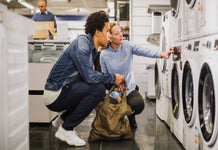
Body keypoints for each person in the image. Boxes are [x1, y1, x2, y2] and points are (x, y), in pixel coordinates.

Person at [42, 11, 125, 147]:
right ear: (97, 32)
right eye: (107, 31)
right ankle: (66, 129)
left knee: (95, 87)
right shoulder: (83, 44)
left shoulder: (92, 49)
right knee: (96, 90)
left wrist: (114, 84)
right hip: (55, 93)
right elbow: (90, 77)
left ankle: (62, 120)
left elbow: (93, 77)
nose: (109, 36)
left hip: (62, 90)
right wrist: (113, 78)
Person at [100, 22, 173, 129]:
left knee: (138, 104)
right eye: (117, 33)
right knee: (109, 108)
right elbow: (104, 79)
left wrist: (162, 54)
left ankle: (131, 116)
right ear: (110, 37)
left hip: (128, 89)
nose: (121, 35)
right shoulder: (104, 55)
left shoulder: (127, 46)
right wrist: (116, 96)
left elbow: (144, 50)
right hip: (113, 91)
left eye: (121, 32)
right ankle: (117, 120)